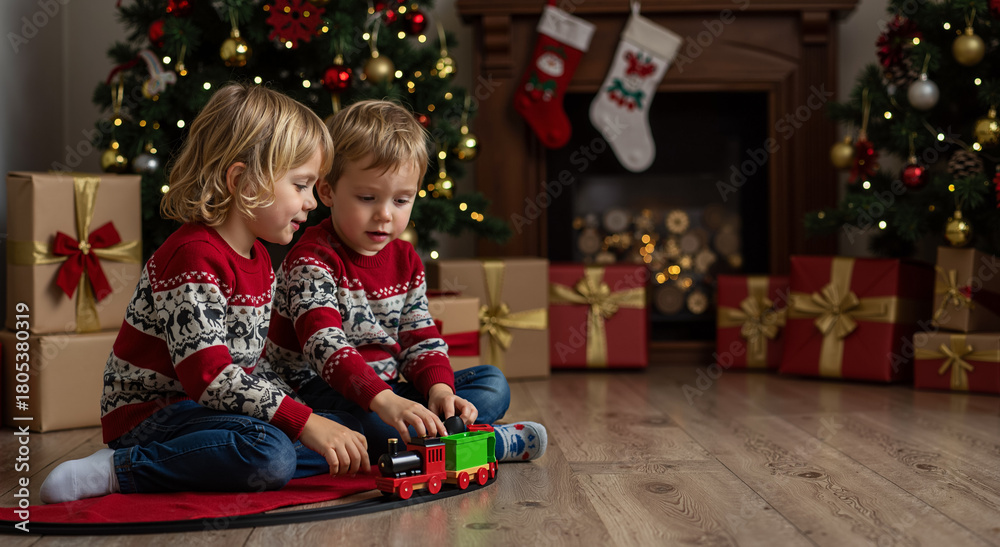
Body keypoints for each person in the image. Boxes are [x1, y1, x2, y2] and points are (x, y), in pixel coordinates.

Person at [40, 83, 370, 504]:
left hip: (212, 412)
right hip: (155, 414)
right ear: (241, 180)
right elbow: (210, 376)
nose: (311, 204)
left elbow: (249, 365)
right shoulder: (192, 255)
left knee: (348, 430)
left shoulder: (261, 258)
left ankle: (211, 459)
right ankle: (119, 469)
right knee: (271, 454)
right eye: (301, 185)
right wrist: (303, 423)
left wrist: (310, 418)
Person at [259, 99, 547, 464]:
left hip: (389, 389)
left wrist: (440, 389)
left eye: (401, 199)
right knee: (369, 425)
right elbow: (324, 346)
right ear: (328, 191)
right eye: (367, 198)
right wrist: (386, 402)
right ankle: (479, 444)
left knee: (492, 385)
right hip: (318, 390)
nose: (384, 214)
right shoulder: (311, 259)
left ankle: (431, 439)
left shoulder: (406, 259)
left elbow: (419, 335)